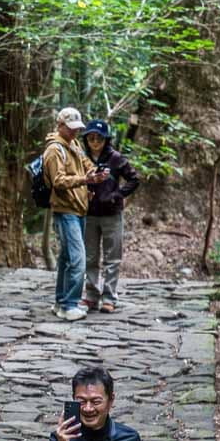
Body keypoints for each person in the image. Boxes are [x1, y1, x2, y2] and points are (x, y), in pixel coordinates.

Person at [42, 107, 110, 322]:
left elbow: (85, 164)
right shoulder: (54, 150)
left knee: (66, 258)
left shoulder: (75, 145)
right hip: (65, 209)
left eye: (76, 129)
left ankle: (61, 302)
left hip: (79, 207)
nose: (74, 133)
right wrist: (85, 180)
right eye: (70, 129)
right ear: (60, 125)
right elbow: (58, 181)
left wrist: (96, 172)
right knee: (78, 259)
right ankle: (70, 304)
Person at [81, 120, 139, 313]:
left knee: (112, 257)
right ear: (86, 139)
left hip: (112, 215)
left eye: (99, 138)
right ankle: (91, 296)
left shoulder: (116, 158)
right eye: (91, 138)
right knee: (90, 257)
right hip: (89, 214)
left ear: (106, 139)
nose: (95, 141)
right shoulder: (82, 158)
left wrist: (117, 195)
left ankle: (109, 297)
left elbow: (134, 178)